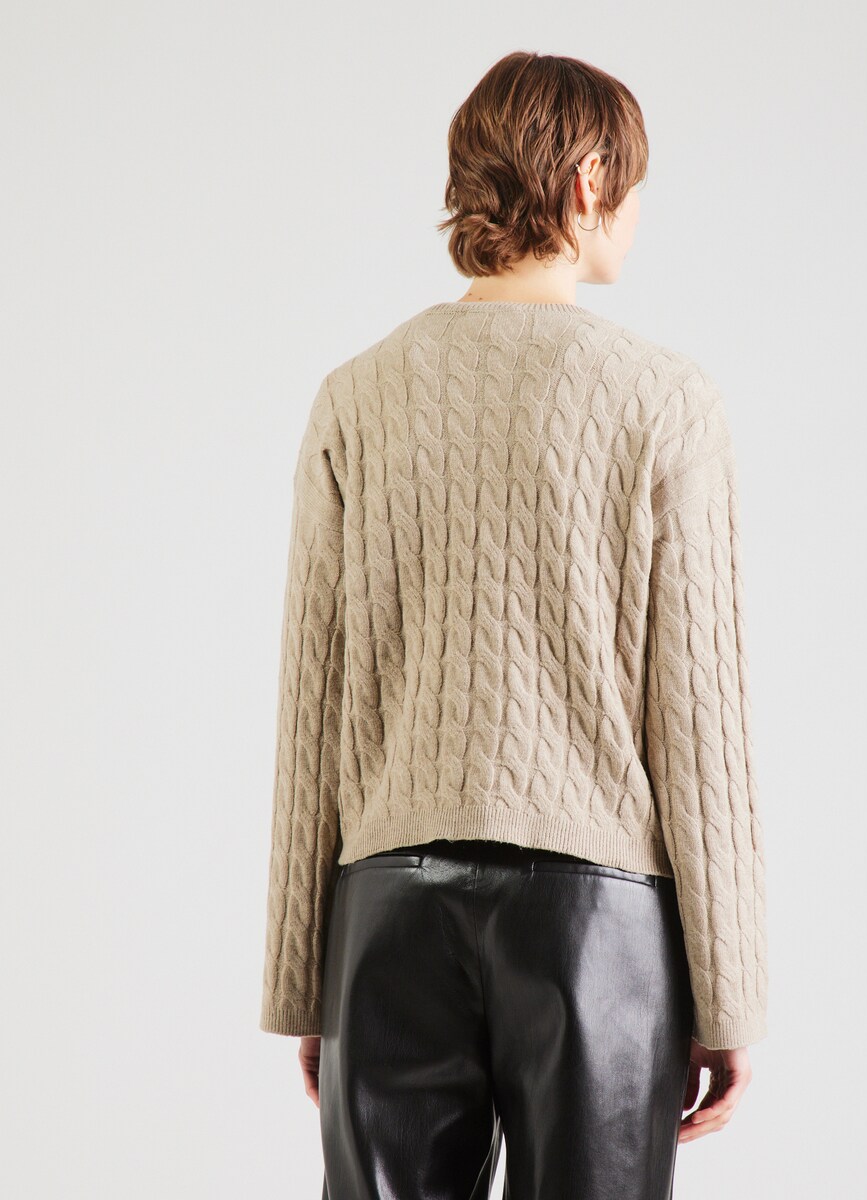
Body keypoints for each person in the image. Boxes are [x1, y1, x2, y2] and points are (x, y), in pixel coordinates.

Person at [259, 49, 768, 1200]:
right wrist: (728, 994)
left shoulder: (356, 396)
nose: (635, 212)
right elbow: (700, 719)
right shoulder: (665, 402)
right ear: (588, 182)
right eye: (632, 186)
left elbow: (311, 699)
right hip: (596, 928)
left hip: (385, 916)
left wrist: (307, 977)